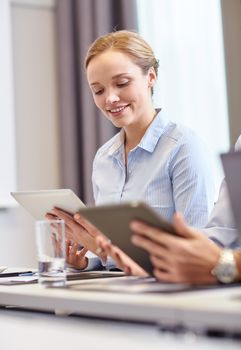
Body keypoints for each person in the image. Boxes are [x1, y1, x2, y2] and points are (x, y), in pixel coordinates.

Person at [47, 30, 215, 270]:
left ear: (151, 77)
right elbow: (108, 252)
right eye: (98, 90)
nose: (110, 99)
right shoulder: (104, 158)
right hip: (119, 292)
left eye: (122, 83)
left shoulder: (184, 147)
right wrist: (87, 260)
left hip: (168, 294)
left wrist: (101, 246)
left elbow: (196, 254)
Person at [96, 136, 241, 284]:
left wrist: (228, 264)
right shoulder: (103, 156)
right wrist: (155, 259)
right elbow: (225, 230)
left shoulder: (184, 145)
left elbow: (220, 255)